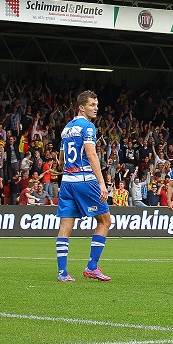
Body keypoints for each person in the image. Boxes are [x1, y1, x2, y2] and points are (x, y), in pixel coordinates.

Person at [55, 91, 112, 282]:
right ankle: (92, 267)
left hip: (67, 183)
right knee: (104, 221)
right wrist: (102, 184)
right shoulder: (88, 127)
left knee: (65, 225)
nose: (96, 108)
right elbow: (91, 155)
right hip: (85, 181)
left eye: (96, 104)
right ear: (81, 107)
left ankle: (63, 273)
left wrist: (68, 168)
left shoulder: (66, 129)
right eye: (92, 105)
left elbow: (61, 161)